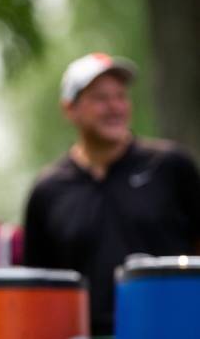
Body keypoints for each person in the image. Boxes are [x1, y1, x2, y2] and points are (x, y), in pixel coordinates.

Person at [24, 52, 200, 335]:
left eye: (121, 96)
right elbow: (41, 286)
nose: (115, 107)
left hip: (175, 328)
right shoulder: (48, 189)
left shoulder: (171, 165)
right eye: (101, 98)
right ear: (70, 109)